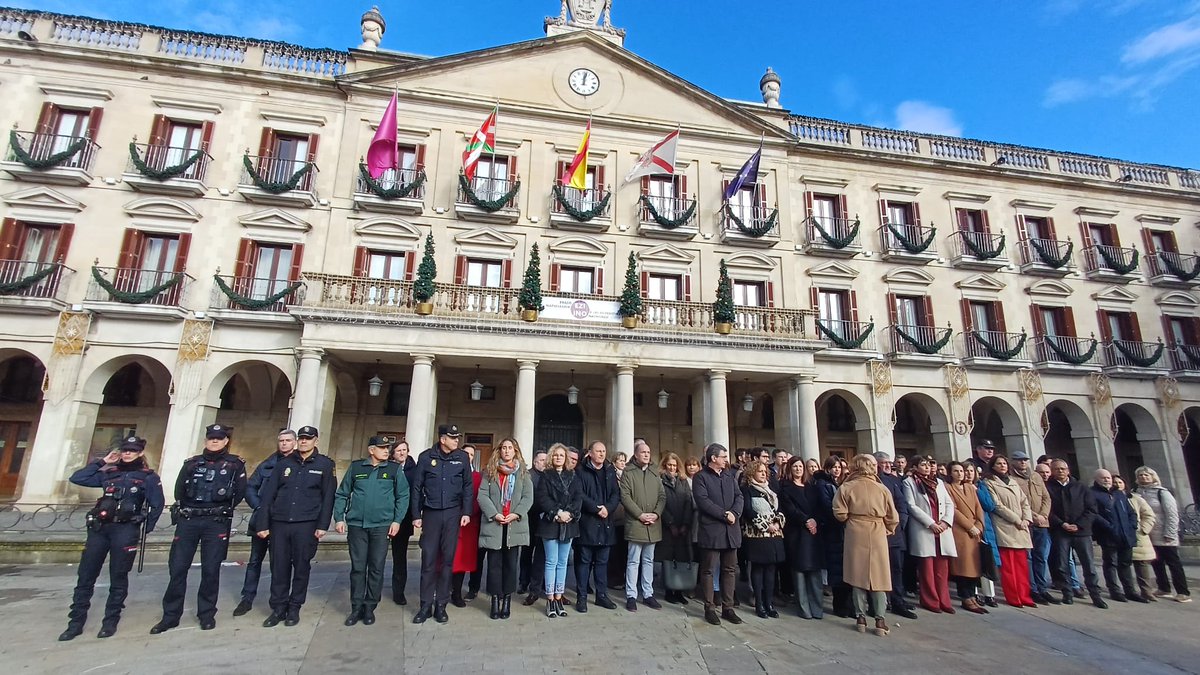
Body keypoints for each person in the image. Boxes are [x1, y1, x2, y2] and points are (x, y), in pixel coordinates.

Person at [59, 437, 165, 641]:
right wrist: (102, 461)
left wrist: (145, 526)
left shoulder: (147, 477)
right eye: (125, 450)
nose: (127, 454)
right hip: (100, 529)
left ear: (140, 453)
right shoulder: (109, 472)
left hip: (125, 529)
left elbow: (157, 504)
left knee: (118, 576)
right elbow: (78, 478)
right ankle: (75, 623)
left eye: (132, 451)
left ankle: (110, 621)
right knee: (86, 576)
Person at [151, 424, 246, 634]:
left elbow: (239, 493)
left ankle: (206, 614)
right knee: (177, 569)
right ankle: (170, 616)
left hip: (215, 522)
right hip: (189, 520)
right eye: (211, 438)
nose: (215, 441)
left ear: (225, 441)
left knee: (211, 570)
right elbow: (179, 490)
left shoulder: (235, 465)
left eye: (219, 438)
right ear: (206, 440)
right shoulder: (192, 463)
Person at [256, 425, 337, 627]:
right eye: (301, 438)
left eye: (308, 438)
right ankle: (278, 607)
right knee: (279, 566)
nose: (304, 441)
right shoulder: (283, 464)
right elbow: (268, 496)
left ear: (315, 441)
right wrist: (263, 523)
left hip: (306, 524)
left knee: (301, 567)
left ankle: (294, 607)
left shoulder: (325, 465)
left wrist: (322, 525)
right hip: (280, 523)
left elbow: (328, 498)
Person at [333, 435, 407, 626]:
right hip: (357, 525)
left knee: (376, 567)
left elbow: (403, 496)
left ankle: (370, 606)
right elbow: (342, 493)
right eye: (382, 448)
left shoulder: (394, 469)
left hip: (381, 526)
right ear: (371, 450)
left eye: (387, 448)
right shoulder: (357, 468)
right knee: (358, 568)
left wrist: (397, 521)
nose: (386, 451)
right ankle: (356, 606)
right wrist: (339, 517)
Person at [410, 424, 473, 624]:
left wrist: (466, 511)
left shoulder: (462, 457)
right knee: (428, 560)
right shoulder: (426, 457)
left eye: (457, 437)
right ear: (442, 439)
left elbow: (467, 486)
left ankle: (441, 605)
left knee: (447, 560)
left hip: (453, 513)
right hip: (431, 513)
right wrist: (415, 514)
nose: (456, 440)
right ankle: (425, 605)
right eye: (452, 437)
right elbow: (417, 487)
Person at [834, 454, 899, 637]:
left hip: (856, 529)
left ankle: (860, 617)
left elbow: (839, 512)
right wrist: (888, 529)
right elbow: (893, 516)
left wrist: (850, 519)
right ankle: (880, 619)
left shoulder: (846, 487)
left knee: (857, 575)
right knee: (879, 576)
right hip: (877, 529)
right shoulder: (882, 488)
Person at [234, 429, 296, 618]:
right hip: (261, 520)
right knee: (255, 560)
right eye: (281, 440)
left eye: (287, 440)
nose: (284, 444)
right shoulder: (268, 464)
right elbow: (250, 487)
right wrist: (260, 507)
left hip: (283, 520)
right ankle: (247, 597)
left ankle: (278, 600)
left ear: (294, 443)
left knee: (281, 562)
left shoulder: (298, 465)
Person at [477, 437, 534, 620]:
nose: (507, 451)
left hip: (514, 525)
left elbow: (527, 497)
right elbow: (482, 495)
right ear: (499, 451)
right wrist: (494, 514)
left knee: (510, 565)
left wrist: (516, 514)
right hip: (495, 524)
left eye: (510, 448)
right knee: (494, 565)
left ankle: (507, 599)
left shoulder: (523, 473)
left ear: (515, 451)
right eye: (504, 448)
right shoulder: (490, 472)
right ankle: (495, 599)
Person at [693, 442, 743, 626]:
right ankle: (709, 607)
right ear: (713, 458)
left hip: (731, 530)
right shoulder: (701, 477)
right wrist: (724, 514)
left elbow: (739, 497)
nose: (725, 459)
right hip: (712, 531)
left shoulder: (729, 476)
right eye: (723, 456)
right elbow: (703, 501)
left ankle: (728, 607)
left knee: (730, 570)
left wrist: (735, 513)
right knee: (708, 570)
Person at [1045, 458, 1107, 608]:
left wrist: (1078, 525)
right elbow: (1048, 510)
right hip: (1061, 531)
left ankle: (1095, 594)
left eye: (1063, 469)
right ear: (1052, 471)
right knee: (1061, 564)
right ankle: (1067, 593)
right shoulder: (1048, 488)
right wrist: (1062, 524)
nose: (1060, 471)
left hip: (1082, 532)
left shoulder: (1081, 487)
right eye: (1057, 469)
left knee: (1089, 565)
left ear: (1068, 470)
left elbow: (1091, 509)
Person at [904, 454, 957, 614]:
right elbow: (911, 505)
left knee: (942, 568)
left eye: (928, 465)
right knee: (927, 568)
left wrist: (946, 522)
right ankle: (930, 600)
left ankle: (944, 600)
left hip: (942, 529)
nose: (927, 467)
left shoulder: (939, 482)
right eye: (923, 465)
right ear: (914, 467)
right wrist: (931, 523)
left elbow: (949, 503)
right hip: (925, 529)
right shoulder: (910, 482)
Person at [535, 443, 582, 618]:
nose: (558, 458)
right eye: (555, 455)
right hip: (551, 523)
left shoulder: (574, 476)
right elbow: (542, 497)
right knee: (551, 561)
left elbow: (578, 498)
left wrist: (569, 513)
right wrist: (557, 512)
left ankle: (559, 597)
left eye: (561, 455)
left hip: (568, 523)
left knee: (563, 562)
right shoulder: (546, 476)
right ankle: (549, 599)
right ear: (551, 457)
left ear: (566, 458)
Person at [574, 440, 621, 612]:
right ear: (590, 454)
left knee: (602, 562)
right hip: (588, 523)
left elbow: (616, 494)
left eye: (603, 451)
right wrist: (596, 509)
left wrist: (608, 508)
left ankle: (602, 596)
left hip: (606, 524)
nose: (601, 454)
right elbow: (580, 494)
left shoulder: (610, 471)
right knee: (584, 562)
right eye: (598, 451)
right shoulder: (580, 471)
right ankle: (582, 598)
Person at [1133, 466, 1191, 602]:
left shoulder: (1162, 493)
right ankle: (1164, 588)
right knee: (1156, 562)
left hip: (1164, 533)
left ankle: (1183, 591)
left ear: (1153, 476)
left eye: (1146, 475)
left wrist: (1170, 532)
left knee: (1173, 562)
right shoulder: (1135, 492)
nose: (1143, 477)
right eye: (1141, 475)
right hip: (1148, 533)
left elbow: (1172, 514)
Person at [620, 440, 666, 611]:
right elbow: (625, 496)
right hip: (636, 523)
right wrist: (640, 514)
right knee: (633, 561)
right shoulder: (628, 472)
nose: (647, 454)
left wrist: (655, 514)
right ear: (636, 454)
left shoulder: (655, 473)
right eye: (643, 452)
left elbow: (662, 496)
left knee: (648, 560)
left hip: (653, 523)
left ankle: (648, 593)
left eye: (648, 452)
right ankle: (631, 595)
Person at [985, 456, 1036, 608]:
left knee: (1022, 565)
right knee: (1009, 567)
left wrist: (1027, 519)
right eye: (999, 464)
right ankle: (1014, 597)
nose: (1002, 466)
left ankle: (1025, 596)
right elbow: (997, 505)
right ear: (993, 466)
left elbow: (1024, 502)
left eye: (1004, 463)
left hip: (1021, 526)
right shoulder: (990, 483)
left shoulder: (1013, 482)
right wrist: (1016, 520)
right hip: (1005, 526)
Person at [1089, 468, 1144, 603]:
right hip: (1108, 535)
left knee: (1125, 564)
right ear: (1096, 479)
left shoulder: (1119, 494)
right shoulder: (1092, 494)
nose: (1107, 480)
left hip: (1126, 534)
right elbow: (1094, 514)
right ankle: (1115, 591)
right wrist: (1109, 527)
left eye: (1108, 478)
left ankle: (1130, 591)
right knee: (1111, 564)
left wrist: (1132, 526)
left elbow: (1131, 512)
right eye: (1103, 478)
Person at [872, 452, 916, 620]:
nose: (888, 466)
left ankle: (898, 601)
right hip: (876, 532)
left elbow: (901, 504)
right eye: (883, 463)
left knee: (896, 569)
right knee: (878, 570)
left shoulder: (894, 481)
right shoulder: (872, 481)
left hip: (895, 533)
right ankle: (880, 603)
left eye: (889, 463)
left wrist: (900, 522)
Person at [741, 460, 786, 619]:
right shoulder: (747, 489)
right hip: (757, 536)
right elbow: (747, 510)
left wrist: (776, 522)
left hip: (774, 535)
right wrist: (766, 525)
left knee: (771, 570)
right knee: (758, 569)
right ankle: (759, 604)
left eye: (764, 471)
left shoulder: (771, 489)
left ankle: (769, 603)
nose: (762, 473)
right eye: (759, 471)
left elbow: (779, 508)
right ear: (752, 472)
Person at [1010, 450, 1056, 604]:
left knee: (1041, 557)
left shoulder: (1035, 476)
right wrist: (1033, 516)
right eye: (1019, 460)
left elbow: (1046, 497)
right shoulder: (1011, 478)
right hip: (1026, 523)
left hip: (1042, 523)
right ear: (1013, 462)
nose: (1023, 462)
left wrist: (1043, 515)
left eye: (1025, 460)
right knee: (1028, 557)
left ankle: (1043, 588)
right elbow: (1018, 502)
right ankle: (1033, 588)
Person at [779, 457, 823, 619]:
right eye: (795, 467)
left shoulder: (811, 487)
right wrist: (805, 520)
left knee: (814, 571)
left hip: (813, 532)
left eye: (800, 466)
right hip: (796, 532)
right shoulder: (785, 487)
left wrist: (814, 520)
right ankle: (804, 609)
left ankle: (817, 608)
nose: (798, 469)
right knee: (799, 571)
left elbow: (819, 507)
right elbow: (789, 509)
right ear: (790, 469)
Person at [809, 456, 850, 617]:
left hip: (841, 531)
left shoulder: (838, 484)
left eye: (839, 467)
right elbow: (827, 506)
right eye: (834, 467)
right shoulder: (822, 484)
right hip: (831, 530)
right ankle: (840, 606)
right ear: (827, 468)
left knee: (845, 569)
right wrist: (843, 518)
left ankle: (848, 605)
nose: (837, 469)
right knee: (837, 570)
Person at [945, 462, 987, 614]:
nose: (960, 474)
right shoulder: (948, 488)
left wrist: (979, 525)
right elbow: (953, 510)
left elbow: (978, 508)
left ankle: (973, 595)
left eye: (961, 471)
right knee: (963, 566)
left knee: (974, 566)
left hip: (975, 530)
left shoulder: (970, 487)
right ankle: (965, 597)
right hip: (961, 531)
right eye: (956, 471)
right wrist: (970, 526)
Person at [658, 452, 694, 605]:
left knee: (681, 558)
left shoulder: (683, 481)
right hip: (667, 527)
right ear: (665, 466)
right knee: (667, 559)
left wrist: (685, 524)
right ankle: (668, 591)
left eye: (674, 465)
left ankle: (679, 590)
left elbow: (688, 502)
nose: (672, 468)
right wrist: (671, 523)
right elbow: (660, 503)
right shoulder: (660, 481)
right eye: (669, 465)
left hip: (682, 526)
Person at [450, 444, 483, 607]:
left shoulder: (477, 476)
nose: (468, 456)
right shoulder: (451, 472)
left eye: (471, 454)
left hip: (469, 524)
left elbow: (479, 499)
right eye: (465, 453)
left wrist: (468, 513)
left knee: (462, 561)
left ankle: (457, 593)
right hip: (450, 521)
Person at [967, 462, 1000, 608]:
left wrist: (977, 491)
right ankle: (973, 592)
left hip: (984, 527)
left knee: (987, 560)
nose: (968, 474)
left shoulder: (981, 486)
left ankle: (989, 595)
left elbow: (990, 505)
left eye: (970, 471)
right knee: (972, 562)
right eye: (965, 471)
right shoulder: (958, 487)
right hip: (968, 528)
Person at [1120, 475, 1158, 602]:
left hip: (1138, 536)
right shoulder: (1112, 498)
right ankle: (1129, 590)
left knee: (1142, 565)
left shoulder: (1136, 499)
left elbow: (1149, 515)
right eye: (1115, 482)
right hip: (1121, 536)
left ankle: (1147, 591)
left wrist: (1143, 529)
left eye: (1120, 482)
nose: (1117, 484)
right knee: (1124, 565)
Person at [389, 440, 417, 605]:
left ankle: (398, 591)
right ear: (393, 453)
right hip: (384, 517)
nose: (401, 453)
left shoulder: (414, 470)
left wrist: (415, 515)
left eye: (404, 450)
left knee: (400, 557)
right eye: (398, 450)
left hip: (404, 519)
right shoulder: (386, 468)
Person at [520, 449, 548, 606]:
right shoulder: (528, 476)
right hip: (530, 520)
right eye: (541, 460)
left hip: (543, 521)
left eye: (546, 460)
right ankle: (523, 582)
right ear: (535, 461)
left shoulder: (548, 476)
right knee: (526, 553)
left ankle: (539, 583)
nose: (544, 463)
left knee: (541, 555)